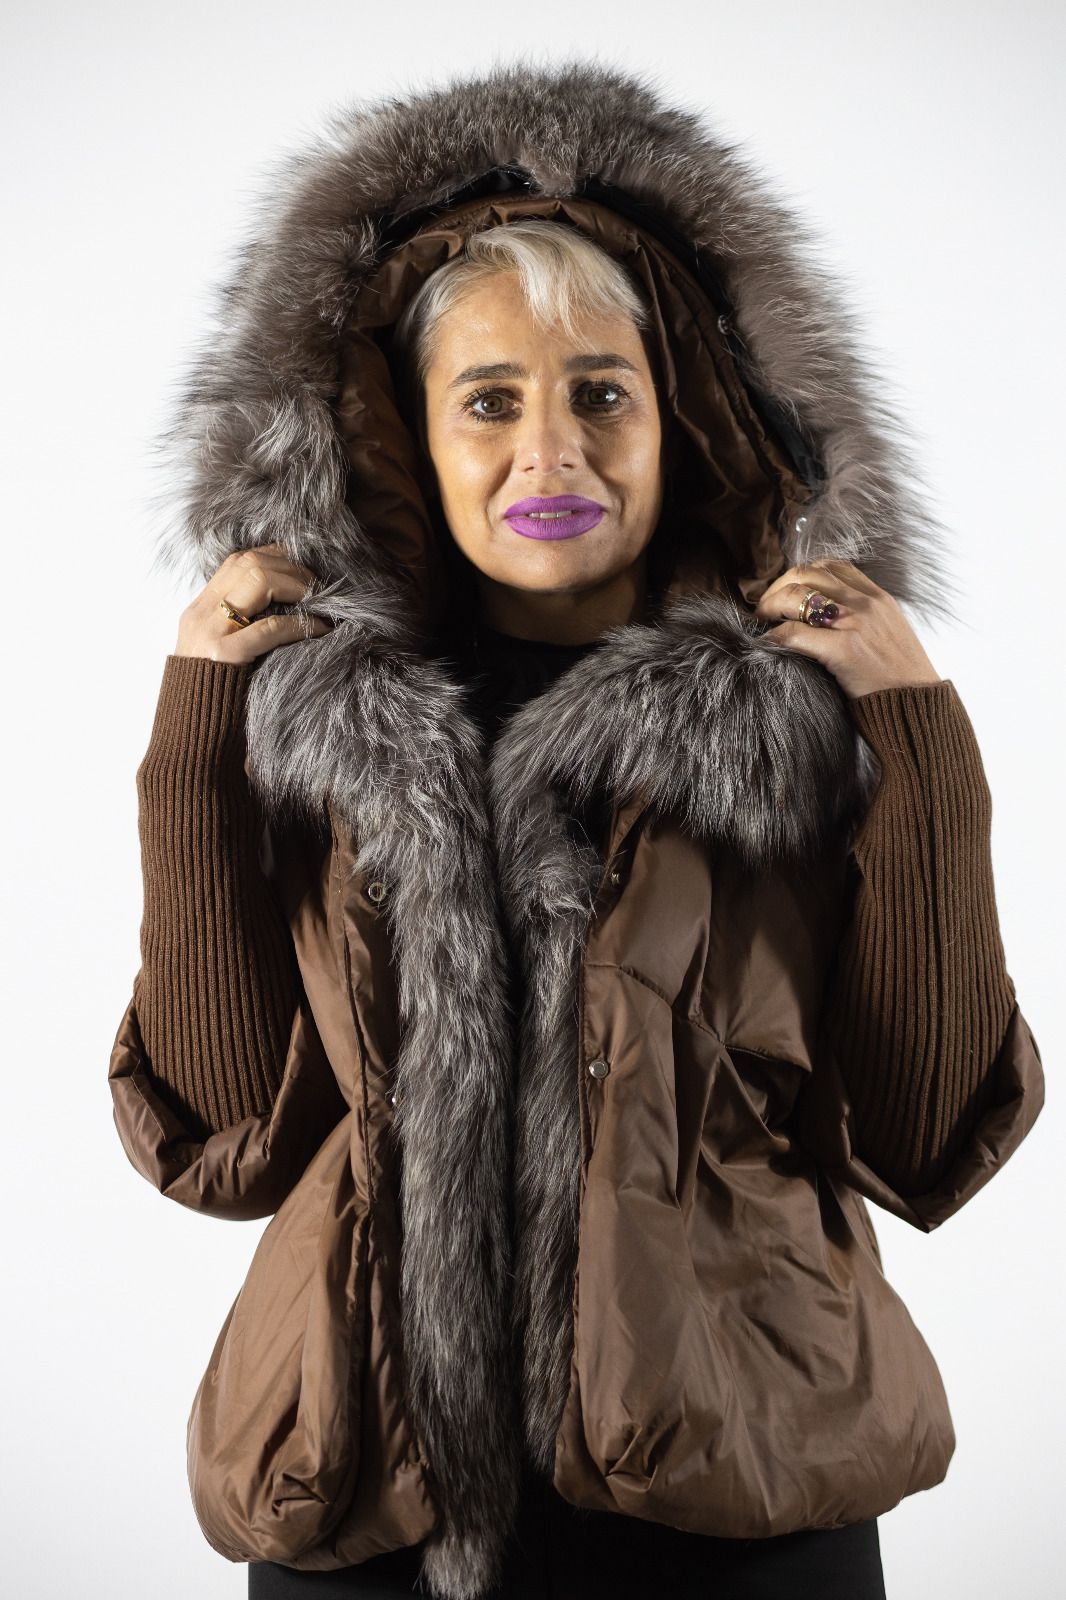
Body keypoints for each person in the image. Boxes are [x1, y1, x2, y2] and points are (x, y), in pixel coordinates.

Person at [108, 59, 1045, 1600]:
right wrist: (195, 737)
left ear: (685, 423)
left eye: (601, 394)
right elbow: (217, 1138)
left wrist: (918, 745)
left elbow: (924, 1129)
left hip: (740, 1497)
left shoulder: (801, 724)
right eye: (489, 400)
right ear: (401, 433)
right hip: (362, 1491)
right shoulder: (311, 730)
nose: (550, 454)